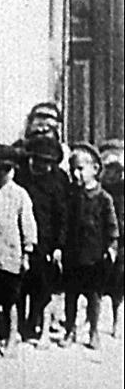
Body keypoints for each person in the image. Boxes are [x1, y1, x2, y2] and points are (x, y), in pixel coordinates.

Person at [58, 143, 118, 351]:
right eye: (72, 169)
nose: (76, 174)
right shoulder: (72, 196)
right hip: (73, 255)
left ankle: (93, 331)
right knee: (71, 295)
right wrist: (60, 247)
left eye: (80, 169)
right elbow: (64, 223)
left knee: (94, 296)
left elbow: (111, 226)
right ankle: (70, 329)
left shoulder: (103, 198)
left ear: (95, 169)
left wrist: (112, 246)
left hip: (94, 257)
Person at [16, 136, 67, 349]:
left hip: (46, 243)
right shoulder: (23, 178)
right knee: (21, 286)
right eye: (40, 161)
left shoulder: (57, 182)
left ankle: (41, 326)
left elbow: (62, 217)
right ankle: (21, 326)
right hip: (23, 239)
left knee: (43, 287)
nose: (44, 166)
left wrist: (59, 246)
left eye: (49, 162)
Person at [0, 145, 37, 359]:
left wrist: (27, 252)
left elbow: (28, 225)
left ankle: (11, 337)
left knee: (10, 302)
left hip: (11, 256)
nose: (1, 174)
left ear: (14, 170)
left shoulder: (20, 195)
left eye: (6, 170)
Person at [99, 139, 124, 338]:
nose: (113, 174)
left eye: (117, 169)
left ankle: (118, 319)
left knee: (119, 280)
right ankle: (92, 318)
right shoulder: (99, 190)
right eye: (109, 169)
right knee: (97, 278)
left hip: (122, 240)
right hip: (100, 239)